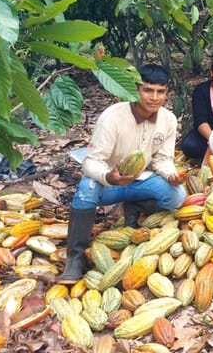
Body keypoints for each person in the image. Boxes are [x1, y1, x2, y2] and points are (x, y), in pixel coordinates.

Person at [59, 64, 187, 284]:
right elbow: (91, 162)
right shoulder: (113, 117)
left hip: (139, 181)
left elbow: (162, 159)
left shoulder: (168, 119)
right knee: (86, 189)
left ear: (166, 93)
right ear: (135, 90)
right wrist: (110, 177)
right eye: (147, 90)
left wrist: (171, 175)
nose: (154, 97)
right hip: (109, 183)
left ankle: (134, 206)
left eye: (160, 92)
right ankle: (76, 256)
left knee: (177, 195)